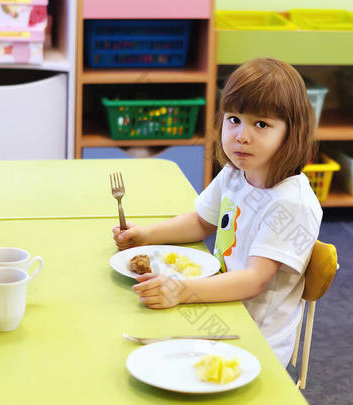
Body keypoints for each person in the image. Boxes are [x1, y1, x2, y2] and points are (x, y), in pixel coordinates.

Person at [112, 58, 322, 366]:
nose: (242, 135)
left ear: (292, 134)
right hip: (220, 302)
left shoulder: (290, 204)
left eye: (261, 124)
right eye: (234, 119)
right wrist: (145, 234)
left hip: (252, 338)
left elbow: (253, 280)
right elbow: (200, 222)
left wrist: (181, 291)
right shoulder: (236, 173)